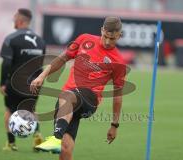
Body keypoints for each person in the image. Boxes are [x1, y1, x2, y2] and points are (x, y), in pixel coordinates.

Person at [30, 16, 126, 159]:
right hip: (67, 104)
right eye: (105, 36)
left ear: (120, 35)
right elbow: (62, 58)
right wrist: (42, 76)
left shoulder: (118, 61)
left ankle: (55, 138)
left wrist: (114, 125)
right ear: (101, 30)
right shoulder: (84, 39)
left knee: (67, 95)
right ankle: (58, 140)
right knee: (65, 148)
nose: (107, 42)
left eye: (112, 39)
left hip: (89, 100)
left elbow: (118, 96)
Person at [0, 8, 46, 151]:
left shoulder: (11, 39)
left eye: (14, 19)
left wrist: (2, 83)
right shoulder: (40, 41)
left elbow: (6, 63)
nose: (13, 21)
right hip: (34, 84)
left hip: (14, 83)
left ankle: (11, 144)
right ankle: (37, 138)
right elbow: (41, 64)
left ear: (20, 21)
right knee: (31, 110)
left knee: (9, 110)